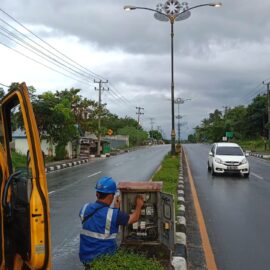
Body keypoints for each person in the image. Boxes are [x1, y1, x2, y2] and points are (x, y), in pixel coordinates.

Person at [79, 176, 144, 266]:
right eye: (113, 194)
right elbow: (134, 218)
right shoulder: (114, 214)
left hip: (85, 258)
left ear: (97, 194)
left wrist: (115, 208)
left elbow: (100, 219)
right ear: (111, 196)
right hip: (104, 260)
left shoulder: (84, 208)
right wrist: (139, 205)